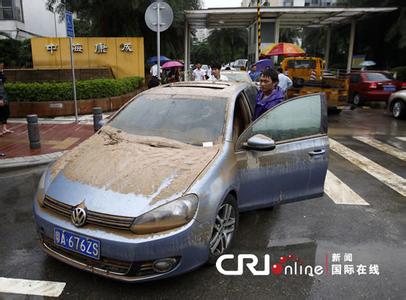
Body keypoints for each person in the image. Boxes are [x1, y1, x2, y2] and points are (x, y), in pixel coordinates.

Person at [0, 63, 12, 136]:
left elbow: (4, 80)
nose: (2, 68)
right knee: (0, 113)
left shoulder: (1, 74)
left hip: (4, 96)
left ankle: (4, 129)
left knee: (5, 112)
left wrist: (2, 72)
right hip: (0, 97)